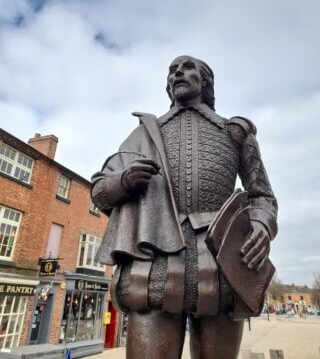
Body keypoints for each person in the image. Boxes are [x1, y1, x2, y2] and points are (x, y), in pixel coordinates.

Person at [91, 56, 278, 359]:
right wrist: (124, 180)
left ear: (206, 82)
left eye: (187, 67)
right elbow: (100, 191)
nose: (177, 72)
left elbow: (263, 196)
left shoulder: (235, 133)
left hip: (222, 266)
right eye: (171, 70)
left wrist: (261, 225)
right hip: (152, 264)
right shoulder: (145, 134)